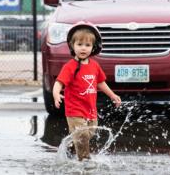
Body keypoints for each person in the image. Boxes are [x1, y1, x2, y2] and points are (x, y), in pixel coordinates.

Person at [52, 21, 122, 161]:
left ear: (93, 47)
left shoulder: (94, 66)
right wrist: (56, 94)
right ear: (72, 46)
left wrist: (112, 95)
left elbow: (101, 83)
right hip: (75, 110)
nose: (83, 48)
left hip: (90, 110)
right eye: (79, 44)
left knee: (89, 133)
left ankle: (73, 145)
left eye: (87, 45)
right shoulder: (70, 66)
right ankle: (84, 161)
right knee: (82, 136)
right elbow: (59, 83)